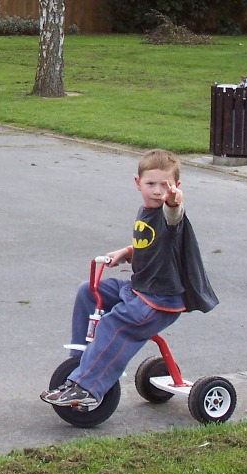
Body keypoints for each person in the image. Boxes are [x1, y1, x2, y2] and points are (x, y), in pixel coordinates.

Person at [40, 148, 218, 409]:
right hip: (139, 290)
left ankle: (87, 387)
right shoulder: (145, 211)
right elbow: (154, 247)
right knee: (89, 291)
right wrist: (126, 253)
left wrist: (174, 202)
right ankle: (80, 360)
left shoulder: (169, 214)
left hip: (159, 301)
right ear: (138, 183)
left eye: (164, 185)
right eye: (151, 184)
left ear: (175, 187)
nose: (158, 191)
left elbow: (173, 218)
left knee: (115, 324)